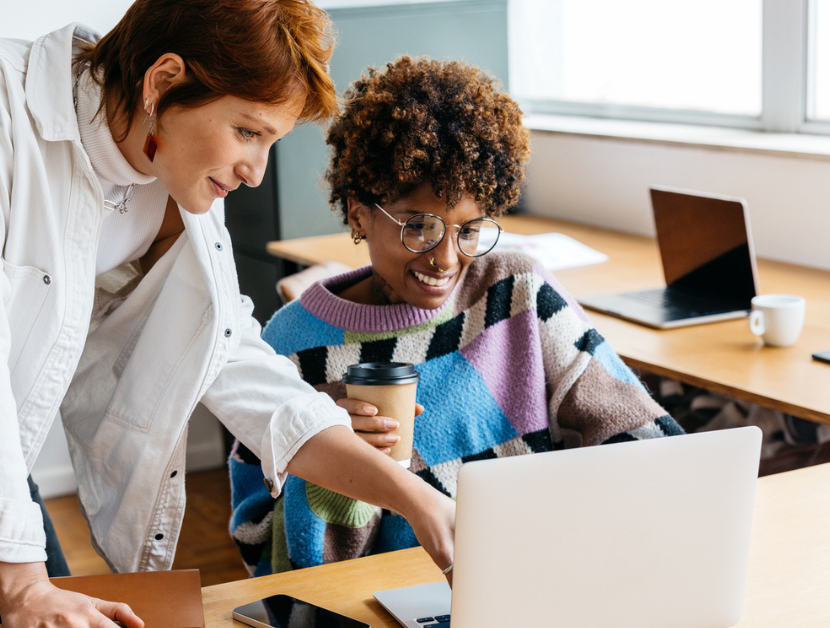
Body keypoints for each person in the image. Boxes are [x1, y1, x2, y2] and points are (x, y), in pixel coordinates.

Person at [0, 4, 459, 627]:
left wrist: (413, 497)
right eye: (248, 132)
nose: (256, 170)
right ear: (164, 80)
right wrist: (22, 587)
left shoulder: (172, 180)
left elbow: (228, 357)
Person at [228, 56, 684, 576]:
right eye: (419, 227)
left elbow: (645, 436)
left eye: (469, 229)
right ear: (358, 211)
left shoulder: (517, 292)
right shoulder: (292, 343)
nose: (446, 258)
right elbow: (257, 542)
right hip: (382, 601)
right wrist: (331, 464)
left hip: (534, 574)